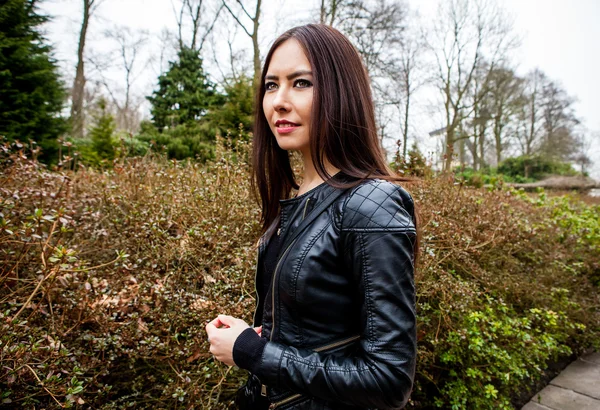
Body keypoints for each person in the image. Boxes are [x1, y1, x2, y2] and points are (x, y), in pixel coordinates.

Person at [206, 24, 417, 410]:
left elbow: (389, 380)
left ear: (341, 91)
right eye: (271, 85)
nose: (278, 102)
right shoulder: (298, 202)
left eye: (300, 83)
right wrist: (267, 337)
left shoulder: (371, 205)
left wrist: (254, 353)